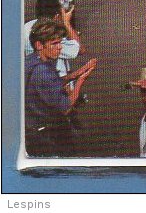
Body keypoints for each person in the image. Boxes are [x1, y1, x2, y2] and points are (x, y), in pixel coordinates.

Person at [25, 20, 97, 157]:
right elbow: (67, 106)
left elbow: (51, 85)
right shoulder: (44, 72)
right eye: (54, 44)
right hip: (47, 137)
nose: (59, 48)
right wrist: (82, 79)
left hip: (30, 131)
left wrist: (77, 73)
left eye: (60, 43)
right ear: (39, 45)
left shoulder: (31, 61)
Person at [23, 0, 80, 81]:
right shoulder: (52, 37)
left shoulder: (26, 27)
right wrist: (66, 23)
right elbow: (80, 49)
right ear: (56, 16)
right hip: (56, 77)